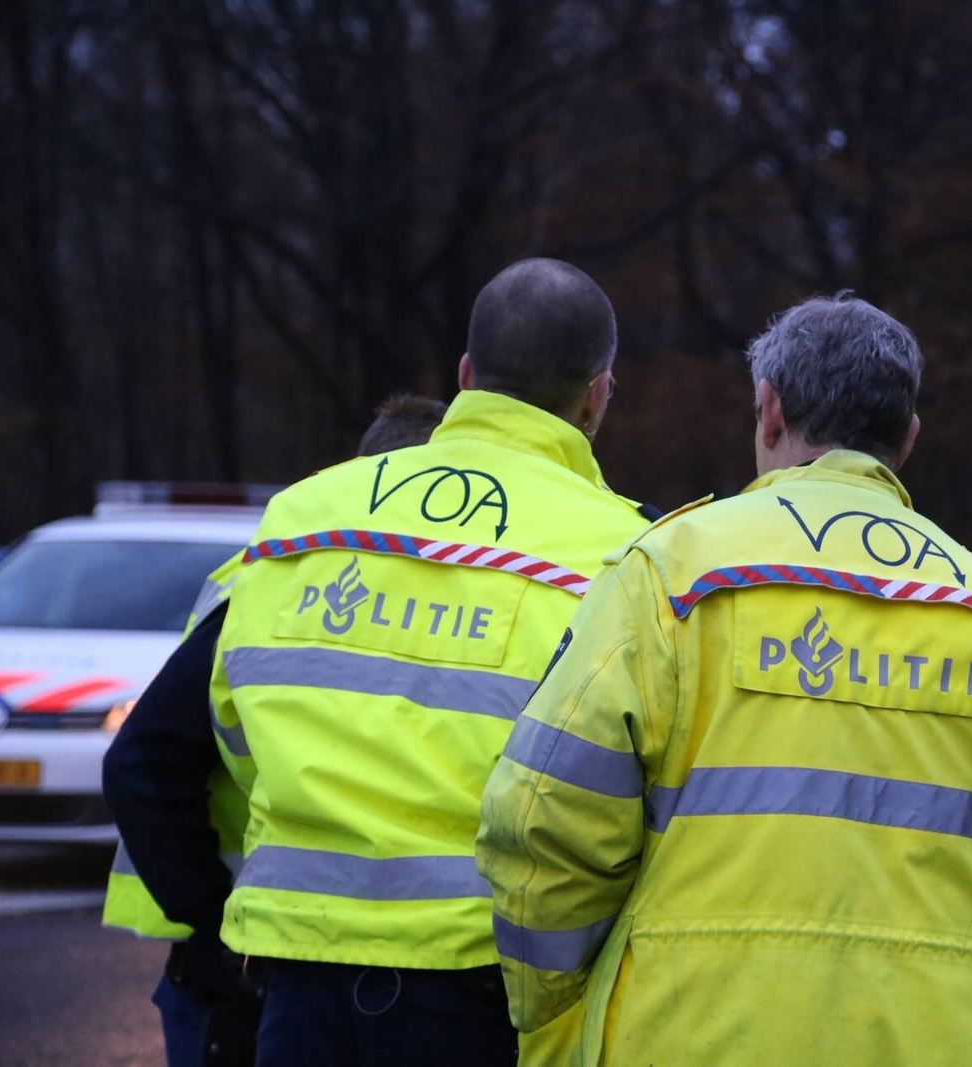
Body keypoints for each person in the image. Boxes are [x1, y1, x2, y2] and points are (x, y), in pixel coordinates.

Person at [476, 294, 972, 1067]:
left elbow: (545, 819)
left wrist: (553, 1018)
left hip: (695, 1030)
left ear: (769, 412)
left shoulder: (671, 575)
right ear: (904, 442)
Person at [106, 259, 654, 1067]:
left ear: (467, 375)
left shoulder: (302, 518)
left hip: (293, 980)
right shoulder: (625, 551)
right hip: (485, 988)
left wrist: (220, 920)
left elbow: (210, 729)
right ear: (598, 392)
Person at [104, 395, 451, 1067]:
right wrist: (215, 925)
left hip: (284, 952)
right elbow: (142, 763)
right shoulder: (272, 585)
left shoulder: (290, 578)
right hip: (251, 962)